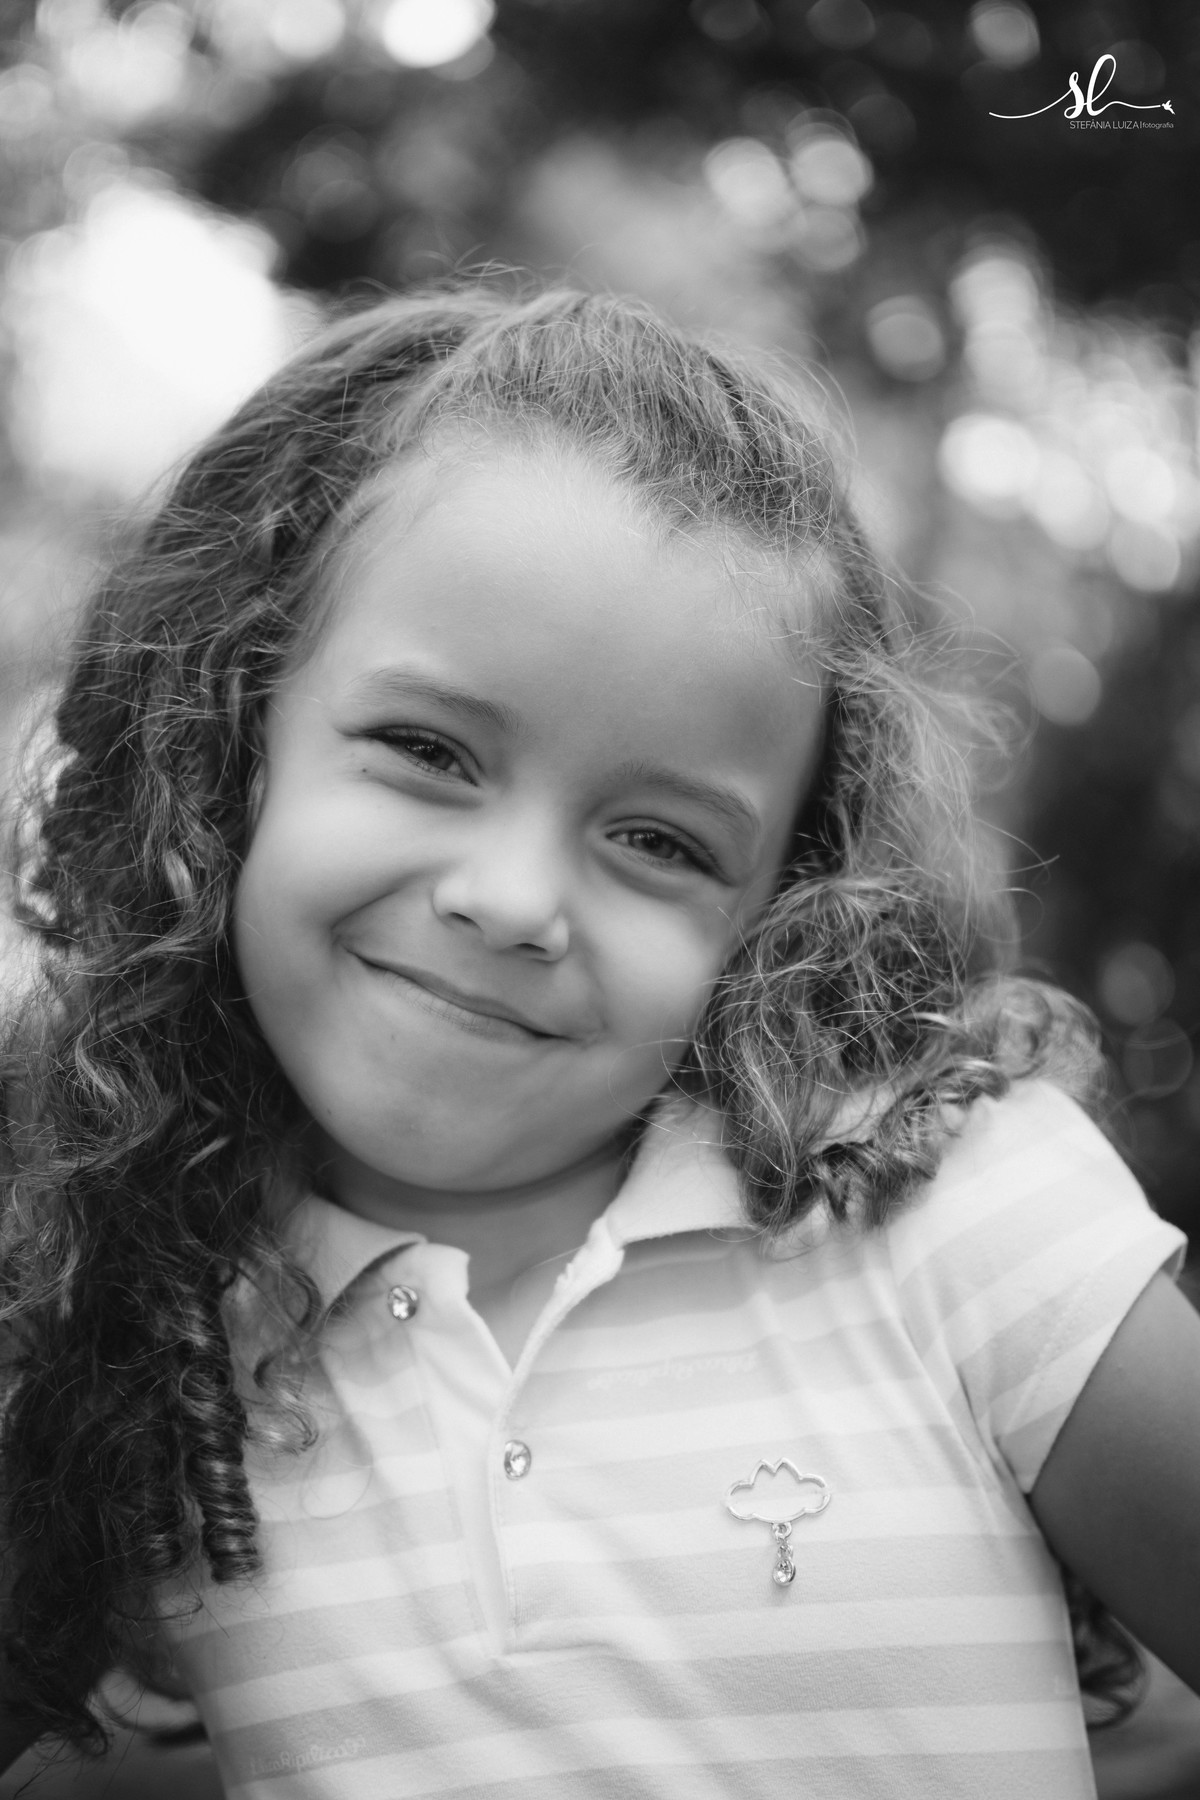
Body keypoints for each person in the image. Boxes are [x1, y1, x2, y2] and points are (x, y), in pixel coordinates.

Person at [1, 285, 1197, 1800]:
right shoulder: (149, 1346)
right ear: (233, 746)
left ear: (778, 908)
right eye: (428, 751)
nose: (513, 901)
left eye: (659, 841)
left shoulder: (948, 1207)